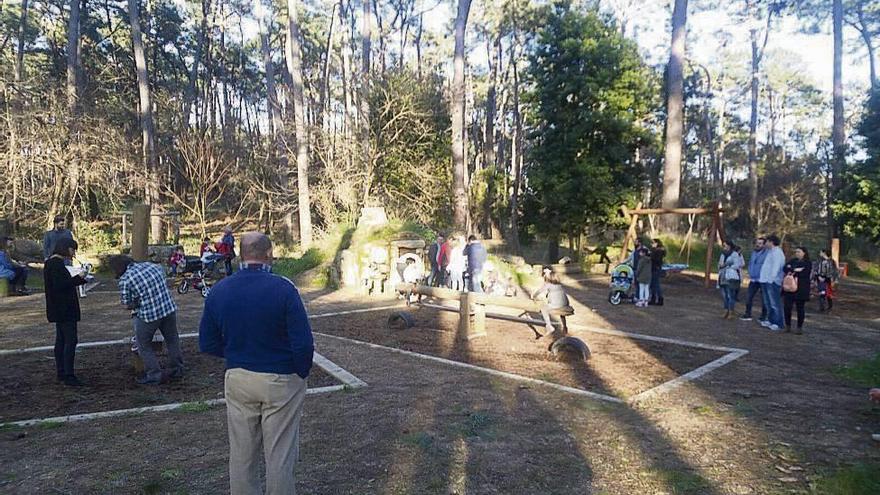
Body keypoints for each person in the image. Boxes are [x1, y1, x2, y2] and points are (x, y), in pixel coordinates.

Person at [199, 232, 314, 495]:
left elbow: (207, 342)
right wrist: (300, 371)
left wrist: (236, 355)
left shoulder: (220, 290)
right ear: (269, 254)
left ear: (240, 254)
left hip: (239, 376)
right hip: (280, 378)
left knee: (241, 452)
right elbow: (303, 343)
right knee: (280, 454)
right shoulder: (284, 289)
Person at [110, 255, 184, 384]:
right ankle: (177, 369)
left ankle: (154, 374)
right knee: (172, 339)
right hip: (168, 308)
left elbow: (127, 304)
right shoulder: (153, 266)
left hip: (149, 315)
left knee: (143, 344)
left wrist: (136, 302)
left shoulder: (125, 280)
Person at [44, 238, 88, 386]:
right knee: (70, 340)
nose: (73, 253)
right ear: (65, 248)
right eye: (72, 249)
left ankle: (62, 372)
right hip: (64, 309)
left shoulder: (52, 263)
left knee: (61, 340)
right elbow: (60, 285)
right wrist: (79, 278)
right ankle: (68, 374)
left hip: (59, 308)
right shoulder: (55, 264)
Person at [533, 268, 574, 335]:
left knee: (543, 309)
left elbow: (540, 291)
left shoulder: (548, 285)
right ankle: (564, 326)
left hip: (555, 304)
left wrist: (534, 296)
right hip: (564, 303)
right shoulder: (559, 285)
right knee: (562, 314)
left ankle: (549, 326)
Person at [758, 234, 786, 331]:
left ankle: (778, 323)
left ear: (771, 242)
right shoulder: (770, 252)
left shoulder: (777, 252)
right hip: (765, 280)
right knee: (767, 302)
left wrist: (772, 279)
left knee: (774, 303)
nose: (766, 244)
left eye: (767, 242)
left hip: (772, 281)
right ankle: (770, 320)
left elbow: (776, 267)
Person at [782, 247, 812, 334]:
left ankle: (799, 327)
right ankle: (787, 326)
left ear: (804, 253)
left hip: (801, 289)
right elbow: (785, 268)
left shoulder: (807, 263)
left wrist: (792, 270)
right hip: (789, 288)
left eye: (799, 252)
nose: (797, 253)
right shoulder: (793, 261)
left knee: (800, 308)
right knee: (787, 307)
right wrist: (794, 270)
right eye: (796, 252)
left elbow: (804, 273)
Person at [740, 237, 767, 321]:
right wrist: (750, 272)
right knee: (749, 296)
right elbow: (751, 263)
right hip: (753, 279)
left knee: (764, 298)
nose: (757, 245)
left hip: (762, 279)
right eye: (757, 243)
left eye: (760, 243)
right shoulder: (753, 253)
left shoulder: (767, 254)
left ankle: (763, 316)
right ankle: (747, 313)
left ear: (764, 245)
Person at [718, 241, 744, 319]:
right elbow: (720, 264)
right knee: (725, 295)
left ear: (729, 246)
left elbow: (738, 265)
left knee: (730, 295)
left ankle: (731, 311)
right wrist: (720, 266)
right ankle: (725, 310)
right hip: (723, 276)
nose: (724, 247)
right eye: (723, 246)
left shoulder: (735, 254)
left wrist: (727, 265)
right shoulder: (722, 254)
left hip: (731, 276)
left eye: (725, 246)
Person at [649, 238, 666, 306]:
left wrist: (651, 257)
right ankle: (654, 298)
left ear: (656, 243)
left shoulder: (658, 251)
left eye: (653, 243)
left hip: (655, 268)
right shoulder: (656, 251)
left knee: (656, 284)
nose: (651, 244)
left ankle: (659, 298)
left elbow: (657, 260)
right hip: (654, 268)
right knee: (653, 284)